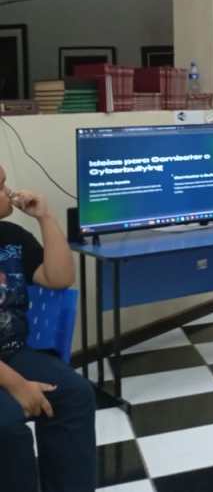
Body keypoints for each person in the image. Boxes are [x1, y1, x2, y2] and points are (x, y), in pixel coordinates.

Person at [0, 163, 97, 492]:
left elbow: (60, 278)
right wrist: (17, 385)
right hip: (6, 370)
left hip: (13, 352)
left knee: (75, 394)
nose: (9, 191)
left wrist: (45, 218)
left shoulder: (11, 237)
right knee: (7, 426)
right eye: (0, 186)